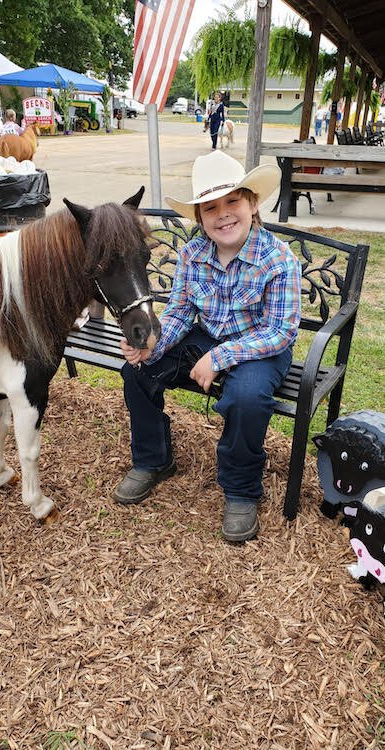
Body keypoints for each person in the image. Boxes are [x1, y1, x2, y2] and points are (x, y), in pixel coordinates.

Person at [113, 151, 302, 543]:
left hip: (260, 347)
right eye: (210, 207)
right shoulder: (192, 254)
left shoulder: (277, 258)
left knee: (247, 398)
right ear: (199, 218)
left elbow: (280, 332)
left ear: (252, 204)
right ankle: (153, 459)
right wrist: (152, 346)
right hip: (207, 336)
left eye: (233, 201)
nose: (224, 214)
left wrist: (220, 357)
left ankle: (240, 489)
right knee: (138, 370)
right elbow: (181, 313)